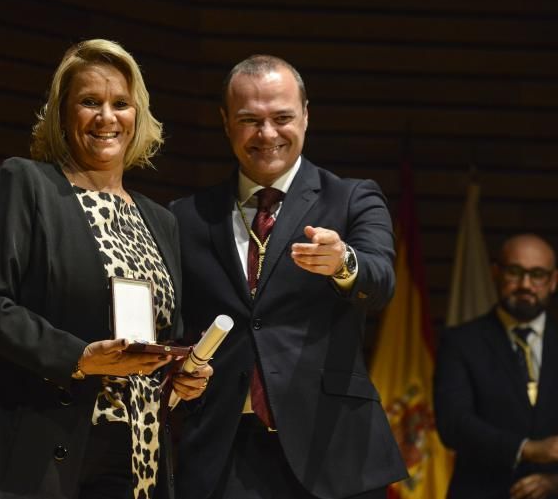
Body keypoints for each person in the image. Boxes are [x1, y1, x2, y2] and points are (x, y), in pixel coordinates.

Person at [0, 39, 211, 499]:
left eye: (121, 104)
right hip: (35, 451)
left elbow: (159, 338)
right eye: (89, 102)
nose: (107, 117)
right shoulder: (26, 185)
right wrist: (79, 358)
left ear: (137, 117)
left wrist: (180, 378)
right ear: (62, 114)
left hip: (136, 453)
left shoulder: (161, 222)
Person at [168, 55, 407, 499]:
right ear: (225, 123)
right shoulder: (185, 217)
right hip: (225, 448)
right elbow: (171, 324)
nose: (268, 134)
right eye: (249, 120)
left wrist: (343, 263)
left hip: (330, 443)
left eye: (282, 118)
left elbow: (381, 280)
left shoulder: (353, 197)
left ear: (306, 116)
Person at [435, 233, 558, 499]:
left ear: (553, 281)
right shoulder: (460, 342)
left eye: (537, 274)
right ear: (495, 272)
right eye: (515, 272)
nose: (526, 284)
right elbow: (453, 424)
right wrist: (526, 448)